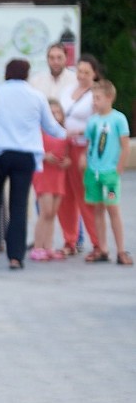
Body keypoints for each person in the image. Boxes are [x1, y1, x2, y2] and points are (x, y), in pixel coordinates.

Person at [0, 58, 66, 270]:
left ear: (6, 73)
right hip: (25, 156)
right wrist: (68, 134)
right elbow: (50, 127)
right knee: (18, 206)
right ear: (26, 74)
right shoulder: (36, 96)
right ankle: (15, 257)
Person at [82, 79, 131, 265]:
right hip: (93, 171)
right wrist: (86, 162)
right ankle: (102, 248)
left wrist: (119, 168)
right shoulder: (92, 120)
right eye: (93, 98)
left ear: (109, 97)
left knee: (113, 208)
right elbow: (89, 144)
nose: (94, 101)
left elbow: (125, 146)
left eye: (97, 98)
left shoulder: (118, 118)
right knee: (97, 209)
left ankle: (120, 250)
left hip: (109, 173)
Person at [58, 54, 102, 257]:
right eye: (80, 71)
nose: (82, 75)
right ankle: (70, 239)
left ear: (94, 74)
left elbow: (100, 122)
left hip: (83, 147)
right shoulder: (68, 90)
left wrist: (83, 135)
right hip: (64, 145)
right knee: (65, 195)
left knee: (85, 195)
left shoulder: (96, 94)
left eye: (87, 72)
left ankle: (97, 242)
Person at [29, 100, 70, 261]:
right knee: (45, 211)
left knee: (52, 213)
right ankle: (38, 247)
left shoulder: (64, 133)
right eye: (50, 113)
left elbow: (68, 155)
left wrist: (66, 162)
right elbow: (33, 152)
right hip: (44, 174)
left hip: (58, 175)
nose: (54, 116)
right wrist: (45, 157)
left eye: (57, 113)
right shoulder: (39, 132)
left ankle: (48, 246)